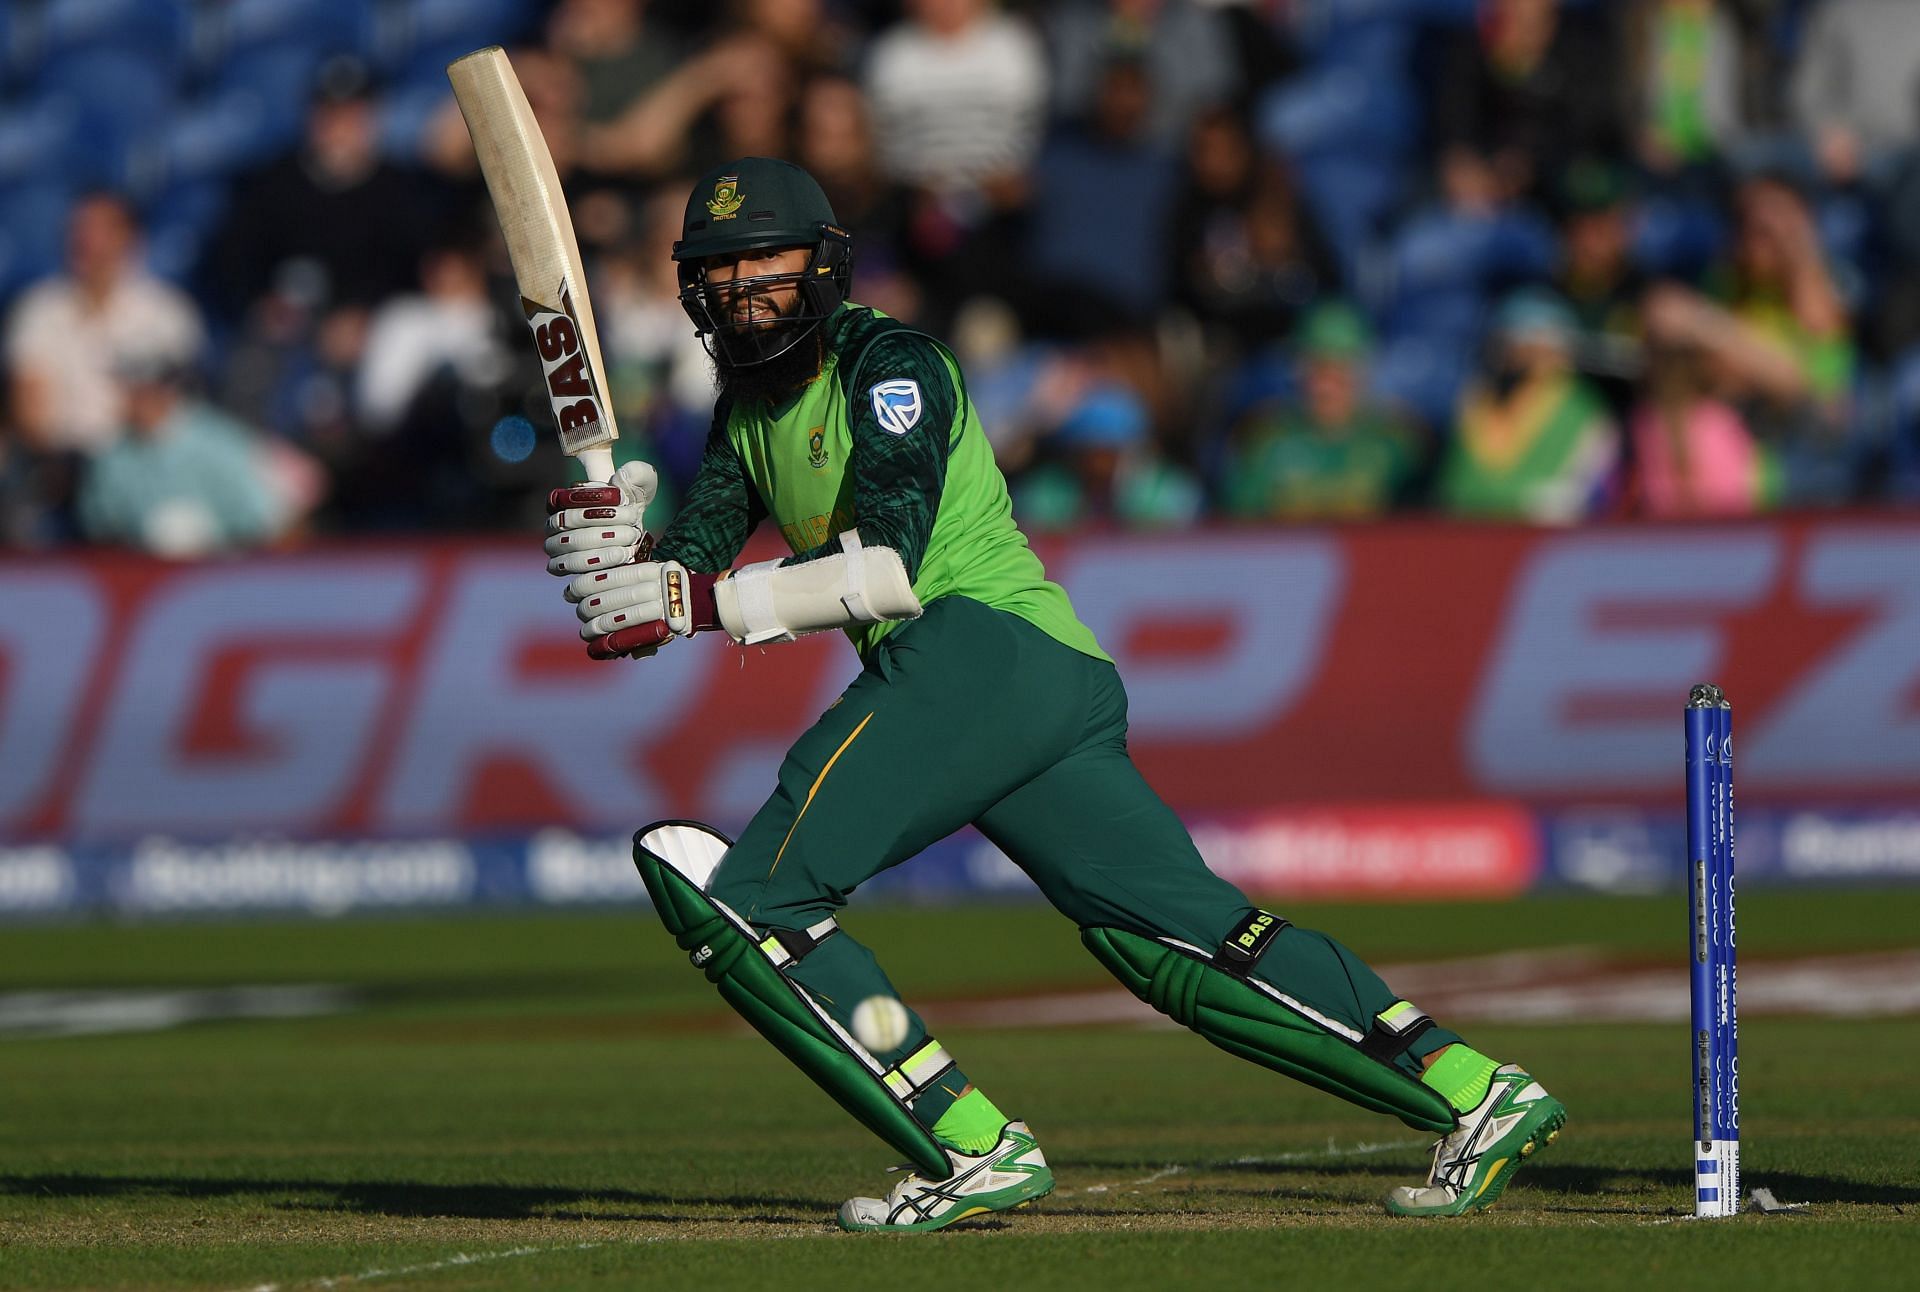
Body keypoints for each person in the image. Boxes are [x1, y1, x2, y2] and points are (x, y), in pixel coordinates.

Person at [543, 157, 1566, 1232]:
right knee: (1173, 941)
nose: (747, 287)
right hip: (1027, 681)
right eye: (722, 270)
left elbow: (884, 564)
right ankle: (1473, 1088)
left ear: (826, 265)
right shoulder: (743, 408)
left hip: (978, 652)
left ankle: (967, 1139)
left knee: (756, 903)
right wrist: (619, 563)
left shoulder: (893, 364)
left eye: (769, 261)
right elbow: (692, 569)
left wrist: (688, 601)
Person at [1221, 302, 1419, 521]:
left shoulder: (1395, 440)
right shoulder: (1266, 439)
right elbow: (1239, 525)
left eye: (1341, 371)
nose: (1326, 385)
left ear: (1363, 373)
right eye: (1317, 368)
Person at [1440, 288, 1620, 523]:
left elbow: (1595, 492)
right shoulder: (1475, 398)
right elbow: (1457, 484)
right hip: (1467, 536)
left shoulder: (1585, 410)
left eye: (1534, 340)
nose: (1524, 353)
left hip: (1546, 541)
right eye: (1516, 340)